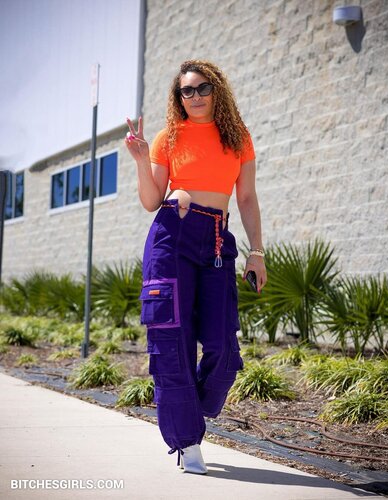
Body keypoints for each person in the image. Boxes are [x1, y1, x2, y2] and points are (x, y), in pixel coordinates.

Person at [125, 59, 267, 474]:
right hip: (172, 235)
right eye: (187, 91)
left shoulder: (237, 137)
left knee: (223, 346)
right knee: (172, 339)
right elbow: (151, 201)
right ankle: (187, 441)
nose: (196, 96)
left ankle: (189, 406)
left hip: (218, 241)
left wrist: (257, 252)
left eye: (203, 88)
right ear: (179, 97)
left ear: (216, 90)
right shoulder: (167, 137)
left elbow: (246, 198)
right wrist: (140, 159)